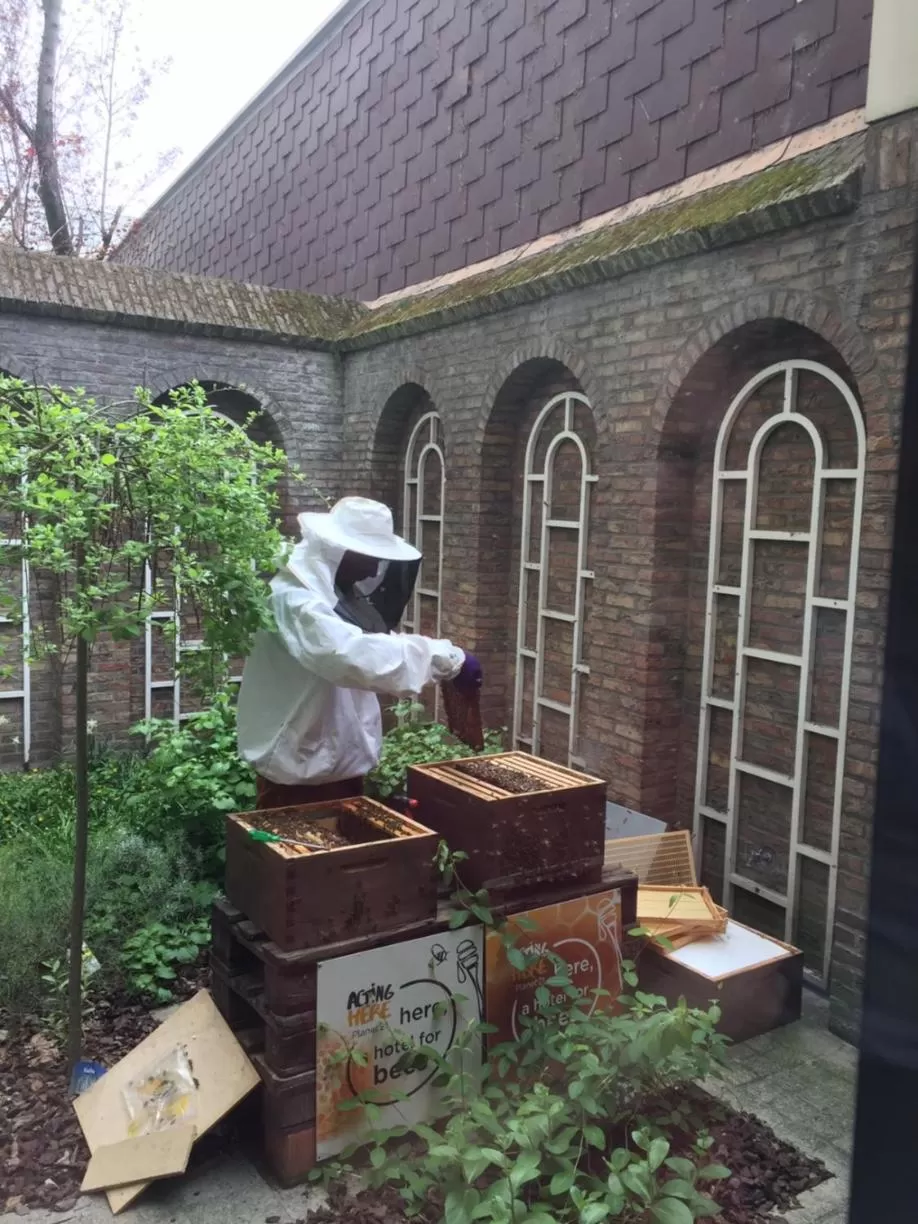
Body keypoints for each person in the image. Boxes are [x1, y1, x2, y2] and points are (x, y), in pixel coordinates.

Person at [237, 496, 481, 809]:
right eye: (369, 557)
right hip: (299, 777)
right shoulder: (297, 600)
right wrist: (443, 658)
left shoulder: (333, 594)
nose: (373, 570)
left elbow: (369, 641)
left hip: (333, 768)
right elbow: (349, 654)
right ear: (338, 551)